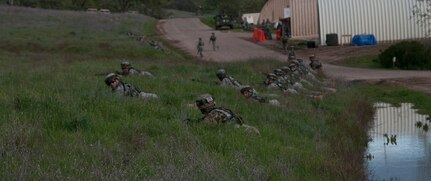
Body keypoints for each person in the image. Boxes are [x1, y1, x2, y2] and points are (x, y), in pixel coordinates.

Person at [192, 94, 260, 134]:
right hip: (247, 129)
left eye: (200, 104)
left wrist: (191, 123)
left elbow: (201, 126)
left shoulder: (214, 114)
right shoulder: (220, 110)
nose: (199, 107)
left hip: (243, 132)